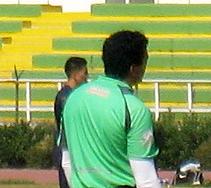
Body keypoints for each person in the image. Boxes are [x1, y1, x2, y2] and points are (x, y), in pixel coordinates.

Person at [62, 30, 160, 188]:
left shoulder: (74, 98)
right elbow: (146, 179)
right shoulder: (134, 108)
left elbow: (66, 161)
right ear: (133, 68)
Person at [53, 57, 88, 188]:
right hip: (68, 149)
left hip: (73, 148)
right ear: (75, 75)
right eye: (84, 72)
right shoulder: (66, 97)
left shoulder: (73, 94)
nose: (86, 76)